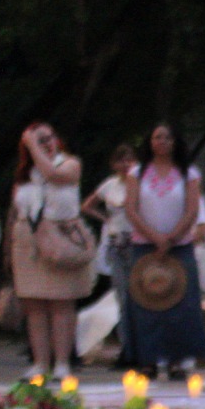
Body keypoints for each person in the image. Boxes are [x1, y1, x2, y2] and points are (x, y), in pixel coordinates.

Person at [122, 123, 205, 379]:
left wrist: (171, 238)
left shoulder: (188, 173)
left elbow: (192, 210)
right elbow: (131, 209)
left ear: (175, 142)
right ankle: (147, 359)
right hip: (144, 245)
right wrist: (154, 237)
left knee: (181, 303)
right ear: (149, 142)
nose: (162, 141)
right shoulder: (137, 173)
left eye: (167, 137)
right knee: (145, 303)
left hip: (179, 246)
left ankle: (177, 360)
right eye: (157, 137)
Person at [8, 122, 91, 380]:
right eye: (38, 140)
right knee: (34, 305)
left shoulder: (69, 164)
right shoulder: (25, 175)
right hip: (27, 241)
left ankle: (63, 363)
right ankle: (40, 363)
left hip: (60, 237)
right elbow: (14, 210)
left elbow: (54, 176)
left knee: (61, 303)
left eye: (48, 138)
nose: (45, 144)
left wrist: (33, 144)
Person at [82, 143, 142, 369]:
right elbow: (87, 205)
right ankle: (126, 347)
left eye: (130, 160)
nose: (125, 165)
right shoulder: (109, 185)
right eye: (121, 160)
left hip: (137, 241)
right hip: (117, 243)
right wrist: (106, 219)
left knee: (140, 297)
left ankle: (141, 348)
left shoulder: (140, 183)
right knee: (122, 297)